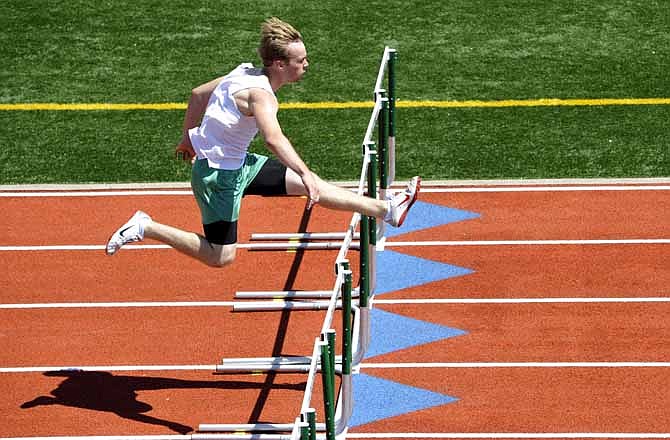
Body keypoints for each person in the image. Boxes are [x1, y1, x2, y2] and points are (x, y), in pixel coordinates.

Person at [106, 17, 420, 267]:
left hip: (240, 163)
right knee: (221, 256)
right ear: (279, 65)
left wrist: (187, 138)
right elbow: (273, 138)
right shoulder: (261, 96)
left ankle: (387, 209)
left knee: (309, 184)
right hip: (219, 177)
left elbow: (198, 94)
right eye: (301, 60)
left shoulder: (244, 71)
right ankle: (146, 226)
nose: (307, 64)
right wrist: (305, 171)